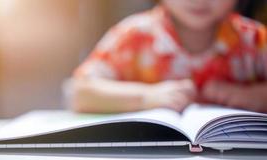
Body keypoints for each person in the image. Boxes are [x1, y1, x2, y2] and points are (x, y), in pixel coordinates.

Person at [69, 0, 267, 113]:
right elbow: (80, 92)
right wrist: (146, 97)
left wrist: (256, 96)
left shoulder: (254, 39)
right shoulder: (136, 35)